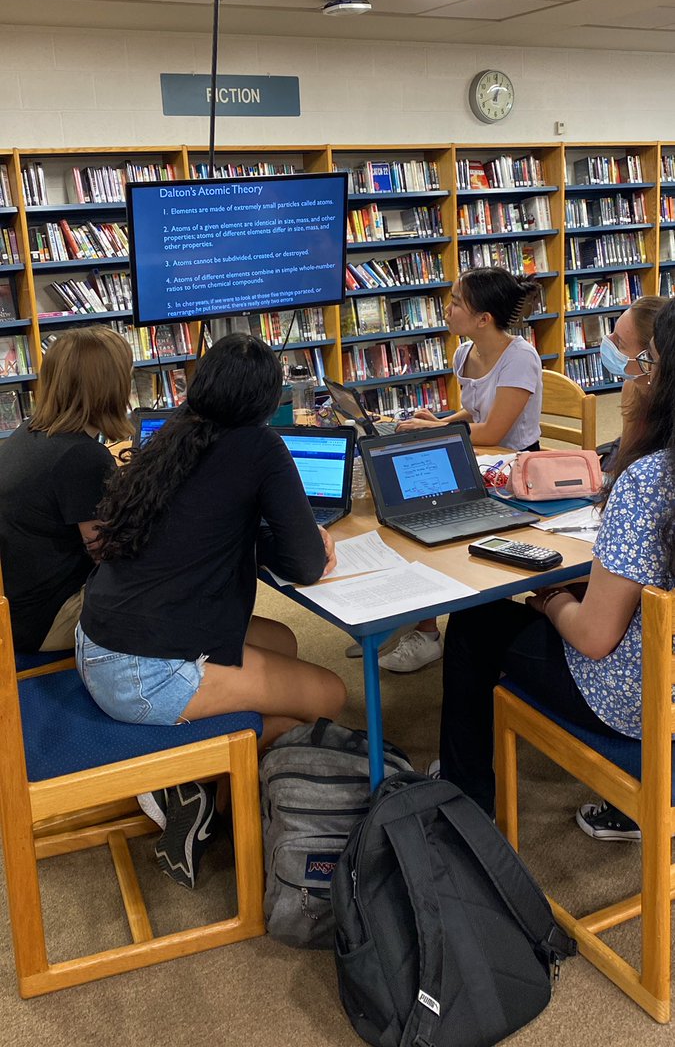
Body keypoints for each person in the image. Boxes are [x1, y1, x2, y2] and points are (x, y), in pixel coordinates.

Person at [77, 333, 347, 888]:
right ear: (267, 402)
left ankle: (201, 773)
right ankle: (202, 788)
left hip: (99, 641)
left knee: (283, 642)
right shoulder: (261, 447)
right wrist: (313, 541)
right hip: (144, 672)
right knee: (330, 695)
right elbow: (304, 565)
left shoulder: (167, 439)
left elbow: (219, 531)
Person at [438, 296, 675, 840]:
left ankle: (463, 802)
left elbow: (594, 638)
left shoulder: (648, 482)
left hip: (641, 704)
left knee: (476, 624)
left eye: (639, 360)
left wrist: (554, 602)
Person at [377, 267, 543, 674]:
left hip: (515, 466)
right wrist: (443, 421)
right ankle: (417, 618)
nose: (446, 310)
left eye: (455, 303)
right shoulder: (464, 353)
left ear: (484, 318)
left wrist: (437, 429)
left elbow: (495, 430)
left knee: (439, 518)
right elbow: (475, 410)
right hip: (479, 456)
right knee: (414, 507)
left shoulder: (520, 358)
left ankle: (429, 632)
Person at [0, 327, 132, 657]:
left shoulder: (30, 429)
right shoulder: (82, 457)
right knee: (174, 581)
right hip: (45, 619)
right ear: (109, 387)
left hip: (17, 609)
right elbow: (110, 554)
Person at [597, 294, 667, 468]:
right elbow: (626, 456)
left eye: (619, 343)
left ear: (649, 359)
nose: (607, 342)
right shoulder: (633, 386)